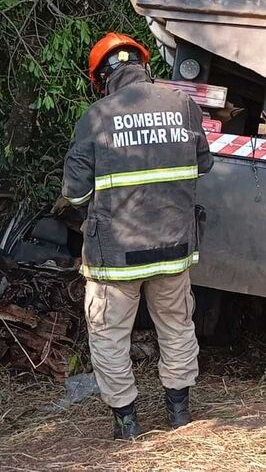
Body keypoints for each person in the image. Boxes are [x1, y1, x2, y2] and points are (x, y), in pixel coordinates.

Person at [61, 33, 213, 439]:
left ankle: (127, 423)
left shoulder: (97, 116)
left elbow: (75, 192)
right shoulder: (182, 105)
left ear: (102, 78)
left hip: (116, 257)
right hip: (174, 248)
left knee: (109, 334)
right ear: (144, 66)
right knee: (177, 325)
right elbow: (203, 165)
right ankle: (179, 414)